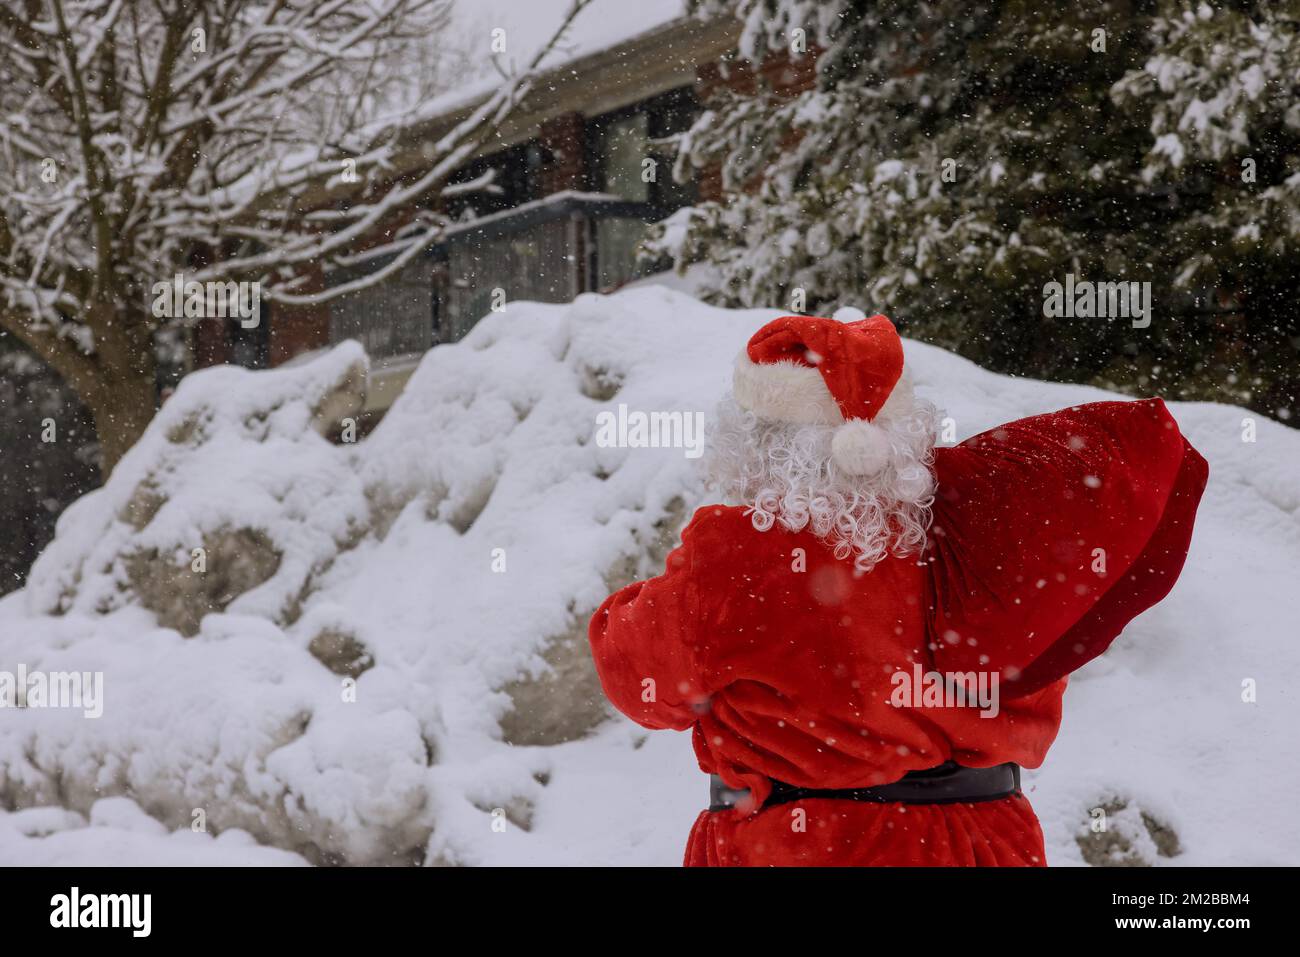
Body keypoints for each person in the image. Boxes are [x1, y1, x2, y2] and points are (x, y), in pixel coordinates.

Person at [588, 313, 1208, 866]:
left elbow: (635, 678)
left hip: (804, 845)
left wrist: (638, 602)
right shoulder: (986, 541)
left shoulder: (735, 557)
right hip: (987, 842)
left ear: (752, 441)